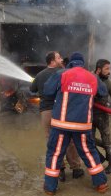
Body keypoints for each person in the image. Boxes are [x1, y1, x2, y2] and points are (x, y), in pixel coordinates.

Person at [43, 52, 108, 195]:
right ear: (82, 64)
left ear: (71, 63)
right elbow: (103, 92)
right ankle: (101, 184)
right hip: (82, 125)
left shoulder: (61, 74)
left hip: (61, 124)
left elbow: (47, 91)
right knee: (89, 153)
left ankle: (50, 188)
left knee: (55, 154)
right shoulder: (92, 77)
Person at [30, 51, 84, 182]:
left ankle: (60, 170)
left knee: (52, 141)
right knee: (70, 139)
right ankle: (76, 168)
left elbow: (32, 89)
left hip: (46, 112)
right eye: (59, 58)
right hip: (63, 111)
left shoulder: (40, 75)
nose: (61, 59)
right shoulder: (64, 73)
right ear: (52, 61)